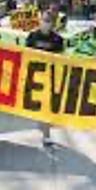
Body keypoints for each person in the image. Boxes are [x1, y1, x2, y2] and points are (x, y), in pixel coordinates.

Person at [26, 12, 65, 147]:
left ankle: (46, 134)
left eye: (49, 21)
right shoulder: (32, 36)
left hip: (51, 77)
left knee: (47, 107)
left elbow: (61, 58)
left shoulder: (57, 39)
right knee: (38, 107)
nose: (46, 23)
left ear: (53, 23)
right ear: (40, 20)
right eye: (44, 20)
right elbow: (26, 54)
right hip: (35, 77)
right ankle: (43, 127)